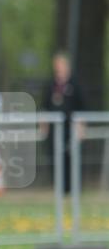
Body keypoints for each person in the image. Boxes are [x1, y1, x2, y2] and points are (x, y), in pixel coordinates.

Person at [42, 52, 86, 194]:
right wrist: (44, 126)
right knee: (56, 157)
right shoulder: (50, 85)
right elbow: (44, 107)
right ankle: (60, 187)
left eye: (61, 65)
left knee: (71, 157)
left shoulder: (75, 84)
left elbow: (82, 108)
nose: (59, 68)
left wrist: (81, 128)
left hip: (70, 128)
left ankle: (73, 188)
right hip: (55, 129)